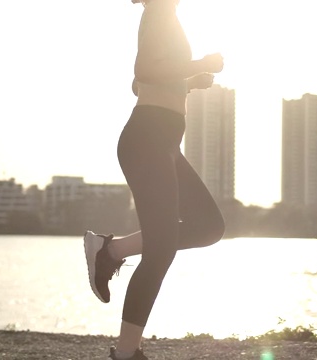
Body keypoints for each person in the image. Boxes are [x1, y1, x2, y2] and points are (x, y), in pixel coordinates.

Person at [83, 0, 225, 358]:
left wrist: (189, 81)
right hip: (148, 139)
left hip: (162, 142)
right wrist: (200, 63)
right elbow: (145, 70)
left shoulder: (165, 16)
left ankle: (109, 250)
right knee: (161, 251)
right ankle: (126, 353)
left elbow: (138, 83)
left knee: (208, 226)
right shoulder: (160, 11)